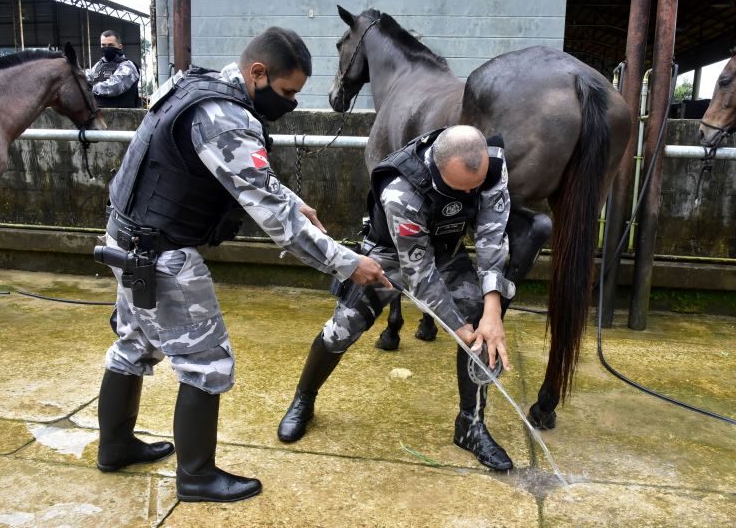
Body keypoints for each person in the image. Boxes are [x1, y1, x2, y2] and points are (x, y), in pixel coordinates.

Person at [94, 27, 390, 503]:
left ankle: (115, 447)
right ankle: (197, 478)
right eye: (287, 92)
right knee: (206, 362)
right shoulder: (226, 118)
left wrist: (295, 201)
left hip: (126, 238)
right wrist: (348, 263)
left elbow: (244, 176)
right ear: (258, 73)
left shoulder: (191, 87)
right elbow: (278, 221)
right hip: (162, 256)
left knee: (133, 344)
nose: (290, 102)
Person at [277, 125, 517, 471]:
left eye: (475, 186)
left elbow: (492, 232)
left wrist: (492, 308)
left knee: (482, 323)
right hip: (388, 256)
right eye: (460, 188)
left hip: (446, 252)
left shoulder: (490, 163)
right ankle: (304, 399)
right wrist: (461, 331)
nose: (470, 194)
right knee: (340, 331)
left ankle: (471, 425)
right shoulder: (401, 190)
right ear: (436, 167)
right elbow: (419, 276)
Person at [86, 30, 140, 107]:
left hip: (123, 116)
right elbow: (86, 78)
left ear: (120, 46)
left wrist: (90, 87)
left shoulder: (127, 66)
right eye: (103, 45)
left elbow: (114, 87)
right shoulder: (98, 65)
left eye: (110, 45)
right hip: (99, 114)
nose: (106, 48)